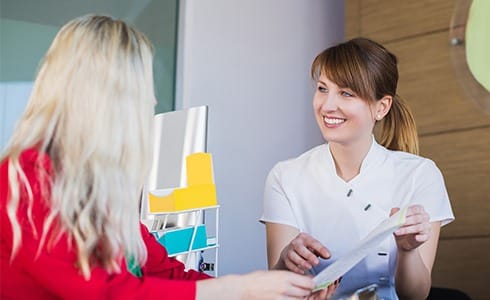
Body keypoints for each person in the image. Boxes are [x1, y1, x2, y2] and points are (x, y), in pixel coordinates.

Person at [0, 14, 320, 300]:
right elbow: (104, 292)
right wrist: (239, 290)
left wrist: (272, 289)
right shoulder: (25, 177)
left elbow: (168, 274)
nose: (152, 99)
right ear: (106, 96)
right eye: (143, 88)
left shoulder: (100, 192)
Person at [261, 37, 454, 300]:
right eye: (322, 88)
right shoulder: (285, 176)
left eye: (346, 93)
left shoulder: (420, 175)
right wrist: (286, 261)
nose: (327, 105)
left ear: (381, 107)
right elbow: (278, 292)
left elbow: (416, 295)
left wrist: (407, 251)